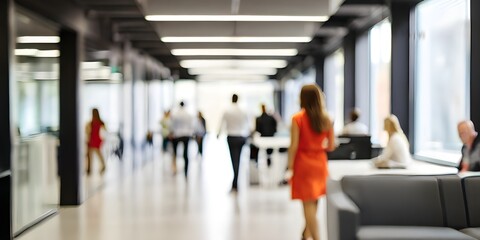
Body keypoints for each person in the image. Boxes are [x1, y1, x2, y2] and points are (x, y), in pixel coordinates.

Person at [286, 84, 335, 240]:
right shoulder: (327, 119)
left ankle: (316, 238)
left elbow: (293, 146)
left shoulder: (297, 119)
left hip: (303, 164)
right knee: (314, 203)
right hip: (320, 164)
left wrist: (290, 167)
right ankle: (305, 234)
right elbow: (331, 146)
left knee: (308, 205)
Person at [218, 94, 250, 192]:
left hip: (231, 137)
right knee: (238, 160)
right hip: (241, 137)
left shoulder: (227, 111)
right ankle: (235, 182)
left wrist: (218, 134)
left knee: (233, 160)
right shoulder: (243, 111)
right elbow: (247, 124)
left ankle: (235, 183)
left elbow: (222, 124)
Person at [169, 102, 195, 177]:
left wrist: (171, 133)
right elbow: (192, 126)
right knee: (186, 153)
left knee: (175, 153)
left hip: (176, 135)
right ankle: (186, 171)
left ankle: (175, 168)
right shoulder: (189, 115)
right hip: (186, 135)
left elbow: (172, 125)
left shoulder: (175, 114)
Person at [86, 108, 107, 175]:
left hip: (94, 139)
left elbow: (88, 131)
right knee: (92, 154)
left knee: (92, 154)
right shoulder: (97, 122)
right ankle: (89, 168)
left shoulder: (93, 122)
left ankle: (90, 169)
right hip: (95, 139)